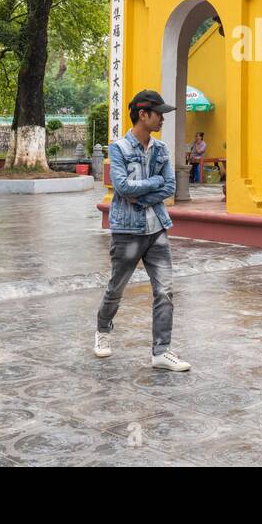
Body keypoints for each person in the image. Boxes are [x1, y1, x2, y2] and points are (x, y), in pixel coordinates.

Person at [95, 90, 189, 372]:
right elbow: (121, 188)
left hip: (157, 227)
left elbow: (170, 187)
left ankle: (162, 351)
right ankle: (102, 330)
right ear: (143, 114)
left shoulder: (161, 149)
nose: (162, 118)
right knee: (116, 288)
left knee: (166, 290)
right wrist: (154, 183)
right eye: (158, 113)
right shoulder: (119, 148)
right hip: (127, 231)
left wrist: (142, 195)